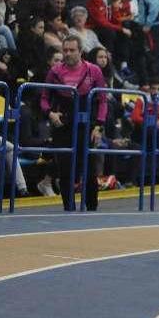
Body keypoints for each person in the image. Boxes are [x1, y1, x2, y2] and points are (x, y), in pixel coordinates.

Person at [40, 36, 108, 211]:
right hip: (63, 126)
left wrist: (99, 126)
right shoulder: (54, 72)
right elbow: (44, 98)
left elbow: (102, 101)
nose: (68, 54)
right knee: (66, 170)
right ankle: (68, 208)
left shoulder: (94, 71)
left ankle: (92, 208)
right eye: (65, 50)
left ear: (81, 51)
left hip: (87, 127)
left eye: (72, 50)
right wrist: (51, 114)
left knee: (90, 171)